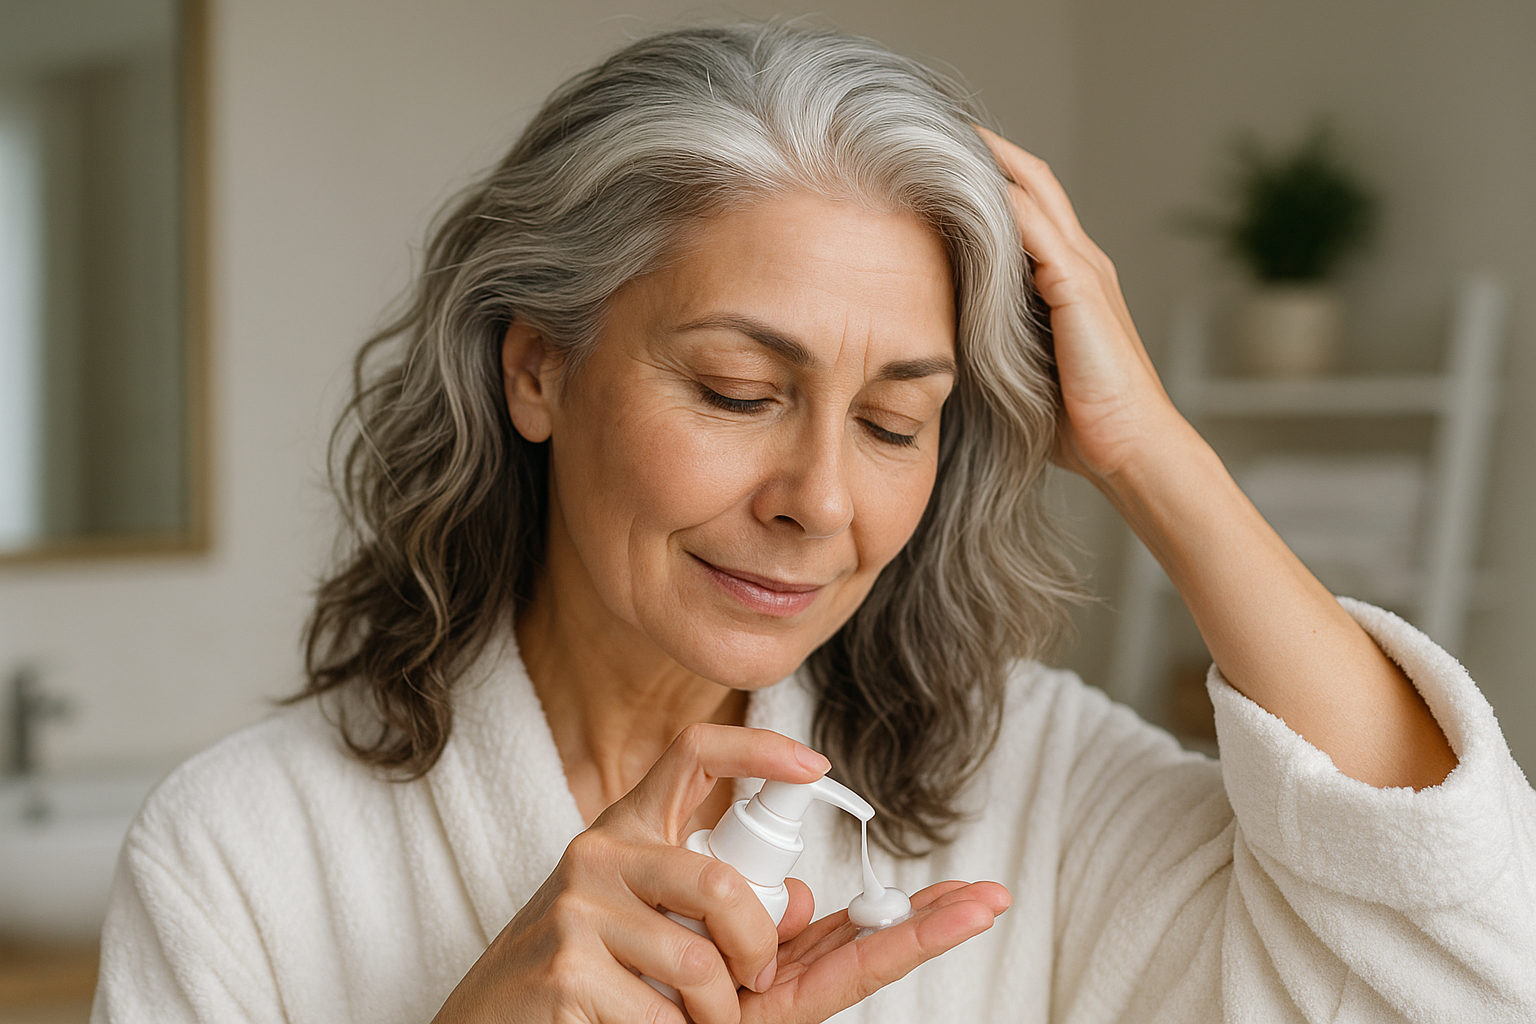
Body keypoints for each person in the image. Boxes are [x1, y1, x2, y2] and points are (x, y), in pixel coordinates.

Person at [93, 21, 1536, 1024]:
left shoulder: (1022, 784)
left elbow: (1462, 962)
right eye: (735, 390)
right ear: (536, 367)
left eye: (898, 421)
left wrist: (1155, 452)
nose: (821, 502)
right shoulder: (247, 855)